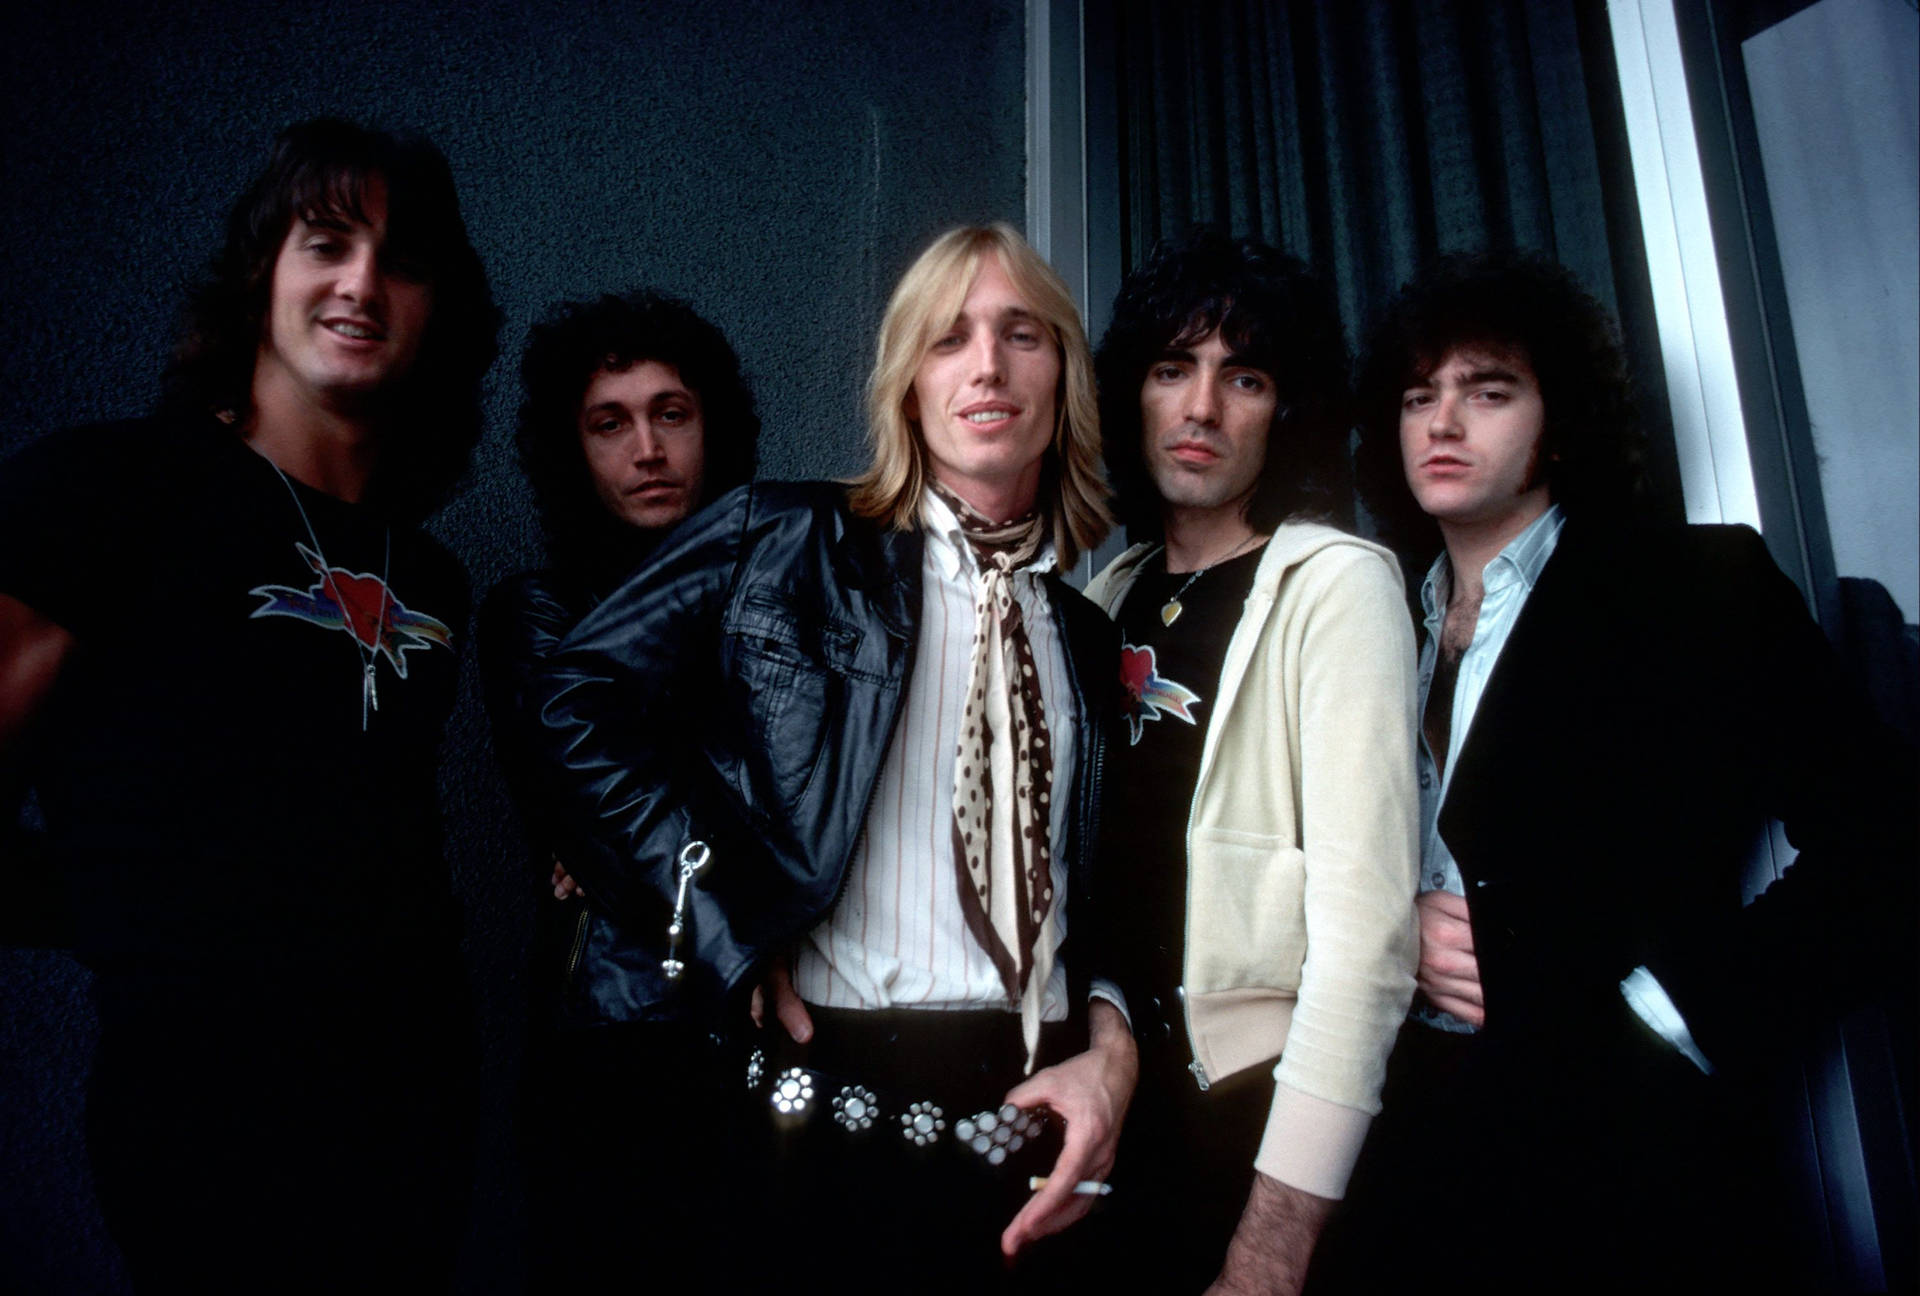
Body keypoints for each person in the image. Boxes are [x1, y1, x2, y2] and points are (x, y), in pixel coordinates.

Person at [524, 223, 1136, 1293]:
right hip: (828, 1108)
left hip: (1035, 1122)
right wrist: (720, 914)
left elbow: (1114, 885)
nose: (986, 365)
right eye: (948, 340)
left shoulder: (1084, 635)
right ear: (908, 387)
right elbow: (576, 699)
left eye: (1020, 335)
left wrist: (1112, 1049)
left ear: (1065, 376)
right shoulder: (786, 542)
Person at [1318, 251, 1916, 1290]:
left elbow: (1892, 849)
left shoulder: (1694, 588)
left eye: (1488, 391)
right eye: (1419, 397)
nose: (1444, 423)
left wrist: (1662, 1018)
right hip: (1402, 1159)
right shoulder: (1369, 619)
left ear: (1561, 419)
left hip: (1625, 1175)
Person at [0, 118, 497, 1290]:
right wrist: (144, 920)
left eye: (404, 260)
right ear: (262, 274)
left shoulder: (429, 576)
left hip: (417, 1108)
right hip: (210, 1116)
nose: (363, 281)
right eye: (327, 241)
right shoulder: (111, 487)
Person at [1077, 230, 1418, 1295]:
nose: (1202, 409)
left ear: (1291, 408)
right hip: (1108, 1106)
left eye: (1247, 376)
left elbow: (1367, 939)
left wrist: (1273, 1244)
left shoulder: (1337, 584)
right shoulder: (1100, 598)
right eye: (1173, 369)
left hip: (1263, 1122)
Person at [477, 289, 761, 1287]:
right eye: (611, 423)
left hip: (774, 1046)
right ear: (574, 452)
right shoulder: (543, 613)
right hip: (617, 1039)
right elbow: (616, 829)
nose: (647, 448)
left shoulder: (777, 606)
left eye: (670, 413)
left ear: (711, 426)